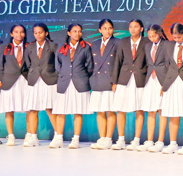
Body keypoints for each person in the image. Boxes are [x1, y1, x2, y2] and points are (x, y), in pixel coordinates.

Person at [51, 24, 93, 149]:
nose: (77, 33)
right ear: (69, 33)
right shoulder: (62, 48)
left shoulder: (85, 48)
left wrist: (81, 75)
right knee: (60, 112)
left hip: (79, 83)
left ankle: (75, 139)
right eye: (74, 31)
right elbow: (57, 65)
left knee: (78, 112)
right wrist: (64, 75)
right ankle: (59, 138)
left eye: (79, 31)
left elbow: (90, 66)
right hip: (64, 83)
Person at [109, 20, 148, 150]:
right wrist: (114, 81)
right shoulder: (123, 42)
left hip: (140, 79)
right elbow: (117, 62)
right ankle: (120, 139)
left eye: (136, 27)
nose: (132, 29)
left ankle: (136, 140)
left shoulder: (146, 42)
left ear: (141, 29)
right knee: (121, 109)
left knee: (139, 109)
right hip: (124, 79)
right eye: (131, 27)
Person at [160, 23, 183, 155]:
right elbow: (167, 65)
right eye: (175, 37)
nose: (177, 39)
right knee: (173, 113)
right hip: (171, 83)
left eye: (179, 37)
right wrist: (164, 85)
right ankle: (173, 143)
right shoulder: (169, 45)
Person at [22, 23, 57, 147]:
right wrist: (31, 77)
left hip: (49, 81)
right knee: (32, 109)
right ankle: (33, 137)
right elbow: (25, 66)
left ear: (46, 33)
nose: (38, 35)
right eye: (35, 33)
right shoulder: (30, 47)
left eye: (40, 32)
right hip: (34, 81)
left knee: (50, 108)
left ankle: (58, 136)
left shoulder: (53, 45)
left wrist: (53, 76)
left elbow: (58, 64)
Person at [88, 20, 120, 150]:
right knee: (100, 111)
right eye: (105, 28)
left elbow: (119, 63)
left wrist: (115, 81)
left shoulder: (118, 43)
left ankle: (108, 138)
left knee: (110, 110)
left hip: (110, 80)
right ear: (99, 30)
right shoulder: (95, 44)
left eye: (110, 28)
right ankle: (102, 138)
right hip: (97, 80)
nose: (108, 31)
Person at [137, 25, 168, 152]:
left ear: (160, 34)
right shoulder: (148, 46)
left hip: (162, 80)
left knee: (162, 110)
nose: (152, 38)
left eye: (154, 36)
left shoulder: (166, 45)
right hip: (151, 80)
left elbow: (169, 64)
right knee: (150, 110)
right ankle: (149, 140)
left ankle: (160, 141)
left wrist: (165, 84)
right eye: (149, 36)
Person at [1, 24, 28, 146]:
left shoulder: (29, 47)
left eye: (22, 32)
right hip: (9, 81)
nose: (19, 34)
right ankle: (10, 136)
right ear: (11, 34)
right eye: (16, 32)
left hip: (25, 80)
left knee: (30, 109)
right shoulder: (4, 48)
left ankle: (30, 135)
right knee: (9, 109)